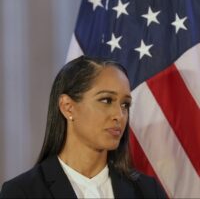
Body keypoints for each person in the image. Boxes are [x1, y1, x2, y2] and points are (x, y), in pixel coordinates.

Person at [0, 56, 167, 198]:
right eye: (106, 100)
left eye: (125, 104)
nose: (119, 115)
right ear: (68, 107)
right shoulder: (23, 192)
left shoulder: (147, 191)